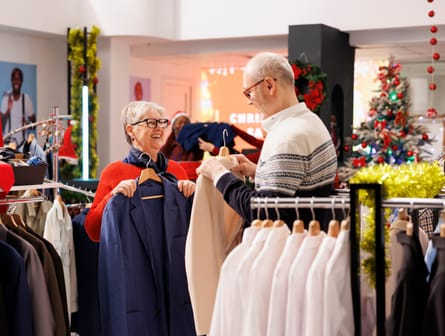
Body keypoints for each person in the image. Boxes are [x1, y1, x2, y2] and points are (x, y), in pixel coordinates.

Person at [196, 52, 337, 228]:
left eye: (248, 93)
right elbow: (300, 186)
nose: (249, 102)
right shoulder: (311, 121)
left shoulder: (288, 136)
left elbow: (264, 212)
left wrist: (219, 174)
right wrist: (259, 172)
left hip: (287, 248)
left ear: (269, 85)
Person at [84, 101, 196, 242]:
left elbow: (193, 225)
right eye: (151, 122)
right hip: (134, 259)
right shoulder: (113, 172)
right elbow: (93, 232)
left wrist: (193, 196)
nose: (160, 128)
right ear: (131, 130)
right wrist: (112, 197)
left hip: (172, 259)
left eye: (162, 122)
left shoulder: (176, 170)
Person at [0, 67, 36, 147]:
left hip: (23, 145)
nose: (16, 82)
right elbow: (0, 125)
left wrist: (27, 124)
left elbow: (34, 124)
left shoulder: (26, 98)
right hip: (8, 144)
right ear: (11, 81)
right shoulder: (6, 98)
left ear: (22, 81)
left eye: (18, 79)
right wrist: (8, 111)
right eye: (14, 79)